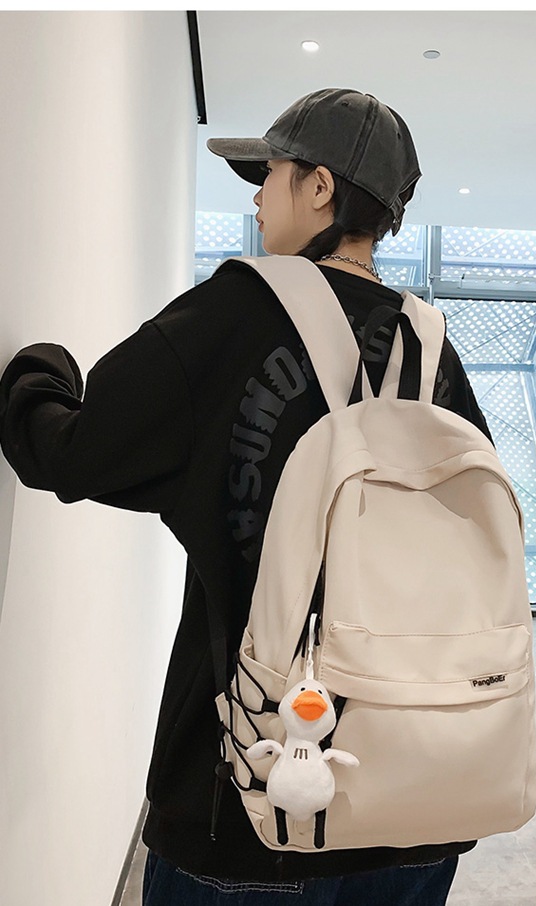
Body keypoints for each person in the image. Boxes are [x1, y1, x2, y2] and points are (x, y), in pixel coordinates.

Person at [0, 87, 493, 905]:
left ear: (320, 187)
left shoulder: (235, 311)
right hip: (415, 804)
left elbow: (69, 454)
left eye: (269, 174)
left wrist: (37, 366)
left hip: (249, 805)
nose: (258, 198)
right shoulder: (430, 348)